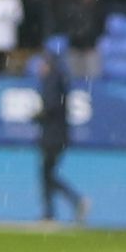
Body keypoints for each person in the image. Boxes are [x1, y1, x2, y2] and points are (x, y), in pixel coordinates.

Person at [32, 29, 84, 224]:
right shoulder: (60, 78)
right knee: (47, 174)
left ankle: (54, 210)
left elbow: (51, 106)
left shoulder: (52, 80)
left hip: (53, 135)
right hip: (58, 134)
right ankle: (62, 206)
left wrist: (37, 116)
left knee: (46, 174)